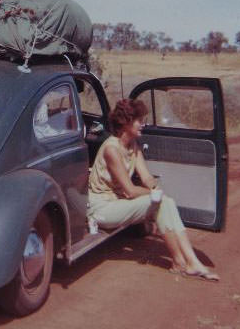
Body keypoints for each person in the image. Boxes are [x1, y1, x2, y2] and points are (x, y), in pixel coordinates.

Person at [87, 99, 220, 281]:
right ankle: (182, 262)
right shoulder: (112, 149)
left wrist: (156, 190)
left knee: (166, 202)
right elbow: (131, 191)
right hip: (102, 209)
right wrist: (154, 195)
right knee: (160, 202)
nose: (143, 124)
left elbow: (147, 178)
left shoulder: (133, 146)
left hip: (118, 202)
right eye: (139, 120)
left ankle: (190, 262)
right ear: (126, 122)